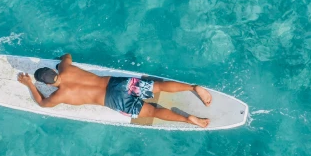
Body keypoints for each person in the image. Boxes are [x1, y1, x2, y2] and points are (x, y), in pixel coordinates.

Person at [17, 53, 212, 128]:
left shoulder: (59, 95)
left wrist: (30, 85)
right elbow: (66, 56)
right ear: (53, 71)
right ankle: (193, 88)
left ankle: (188, 119)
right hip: (117, 84)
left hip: (111, 99)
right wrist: (61, 63)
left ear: (49, 85)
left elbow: (42, 104)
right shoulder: (66, 68)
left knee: (151, 111)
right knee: (158, 86)